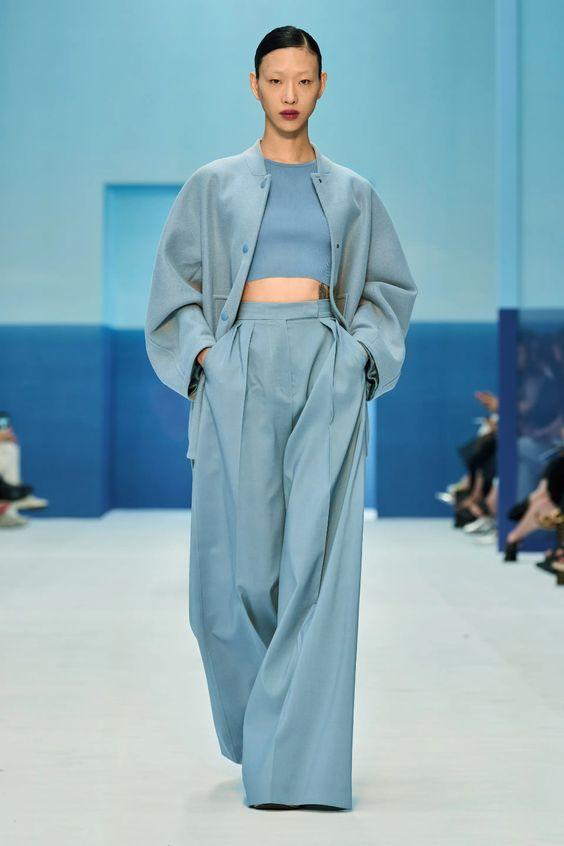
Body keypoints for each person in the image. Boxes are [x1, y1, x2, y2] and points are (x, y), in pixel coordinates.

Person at [145, 26, 418, 811]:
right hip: (239, 368)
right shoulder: (213, 186)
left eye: (303, 80)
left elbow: (388, 290)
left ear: (322, 85)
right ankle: (263, 730)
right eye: (276, 80)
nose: (290, 95)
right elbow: (174, 288)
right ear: (255, 85)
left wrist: (358, 358)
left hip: (327, 368)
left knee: (317, 567)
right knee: (230, 580)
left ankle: (300, 768)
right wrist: (208, 358)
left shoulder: (353, 192)